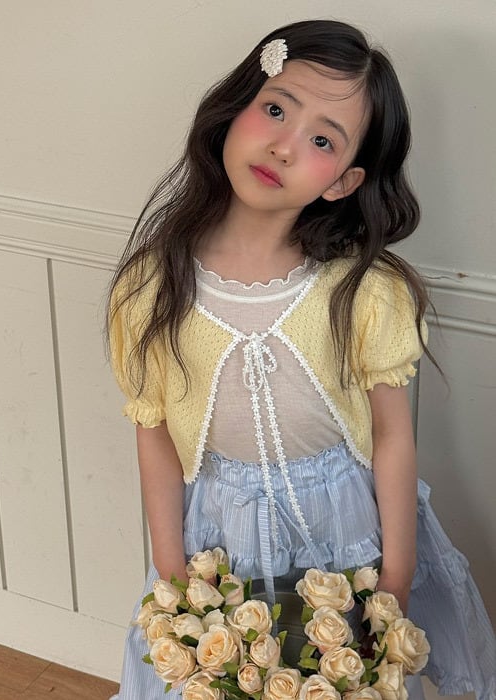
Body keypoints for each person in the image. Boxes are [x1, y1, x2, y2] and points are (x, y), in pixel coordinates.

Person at [106, 19, 495, 700]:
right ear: (236, 108)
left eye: (322, 140)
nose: (283, 146)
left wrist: (395, 582)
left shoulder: (361, 291)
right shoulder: (152, 288)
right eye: (276, 109)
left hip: (344, 532)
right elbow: (154, 430)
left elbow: (393, 435)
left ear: (344, 181)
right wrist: (174, 580)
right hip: (220, 540)